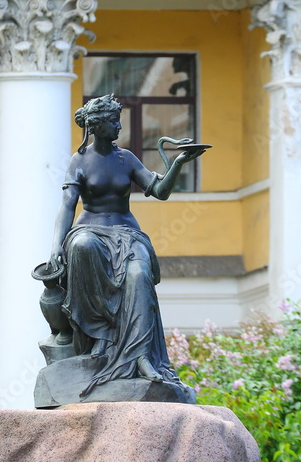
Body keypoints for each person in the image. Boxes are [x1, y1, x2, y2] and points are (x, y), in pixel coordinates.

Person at [47, 94, 205, 397]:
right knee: (80, 246)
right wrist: (56, 248)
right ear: (97, 126)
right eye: (113, 121)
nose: (119, 126)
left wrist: (178, 163)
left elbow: (158, 190)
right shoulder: (79, 161)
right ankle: (100, 337)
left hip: (127, 234)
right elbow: (68, 205)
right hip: (90, 231)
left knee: (139, 276)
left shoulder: (127, 159)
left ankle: (141, 357)